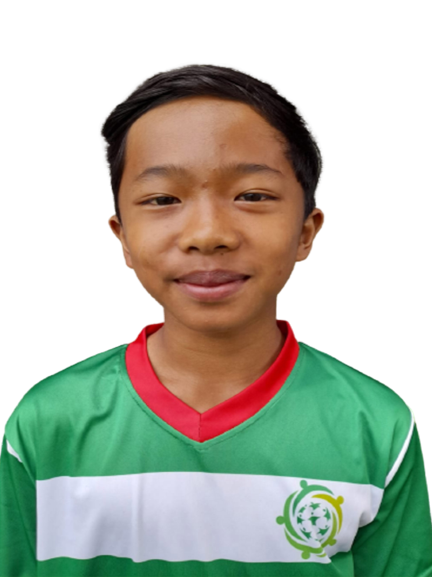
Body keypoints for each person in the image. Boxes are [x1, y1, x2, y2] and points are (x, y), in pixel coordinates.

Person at [1, 61, 430, 577]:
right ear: (122, 238)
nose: (208, 234)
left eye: (252, 195)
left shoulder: (377, 426)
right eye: (163, 199)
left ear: (306, 232)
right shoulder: (47, 421)